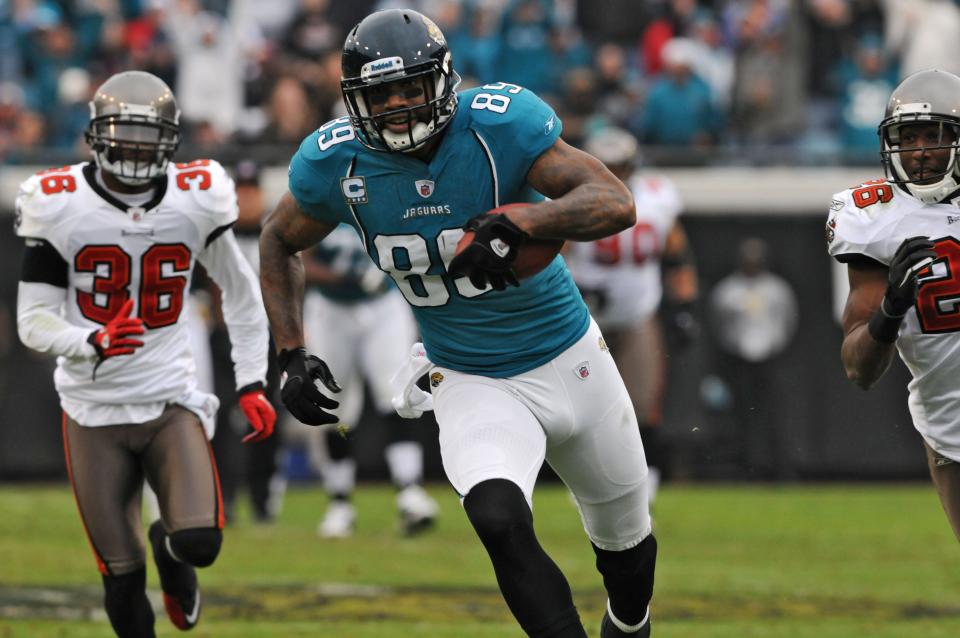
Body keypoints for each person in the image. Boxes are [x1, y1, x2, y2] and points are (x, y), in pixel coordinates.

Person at [260, 9, 657, 638]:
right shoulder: (336, 162)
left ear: (441, 81)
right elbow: (279, 239)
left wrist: (525, 222)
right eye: (379, 94)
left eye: (409, 87)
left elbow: (614, 201)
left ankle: (629, 623)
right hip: (469, 375)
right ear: (353, 101)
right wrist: (289, 350)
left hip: (571, 357)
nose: (395, 106)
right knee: (496, 516)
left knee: (628, 554)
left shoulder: (498, 125)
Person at [14, 71, 275, 637]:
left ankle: (172, 552)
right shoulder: (61, 204)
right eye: (122, 134)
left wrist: (252, 381)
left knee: (198, 542)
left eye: (146, 135)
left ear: (171, 139)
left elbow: (242, 291)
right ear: (96, 135)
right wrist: (88, 340)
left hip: (167, 397)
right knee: (121, 577)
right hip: (92, 409)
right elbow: (31, 321)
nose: (133, 149)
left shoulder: (194, 197)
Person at [829, 68, 960, 541]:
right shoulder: (875, 216)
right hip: (952, 430)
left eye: (934, 135)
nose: (921, 150)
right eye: (910, 137)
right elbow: (858, 369)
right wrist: (892, 305)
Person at [565, 126, 699, 506]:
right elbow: (552, 254)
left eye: (620, 165)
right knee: (585, 408)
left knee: (643, 406)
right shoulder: (570, 196)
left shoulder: (657, 197)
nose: (614, 173)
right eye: (607, 165)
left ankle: (645, 490)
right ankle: (592, 487)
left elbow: (677, 254)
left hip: (638, 313)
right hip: (582, 319)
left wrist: (684, 307)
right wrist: (575, 289)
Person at [297, 223, 439, 538]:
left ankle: (409, 492)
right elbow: (300, 261)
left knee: (396, 395)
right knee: (337, 409)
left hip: (384, 305)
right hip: (331, 309)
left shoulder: (382, 186)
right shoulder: (321, 194)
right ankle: (340, 502)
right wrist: (348, 278)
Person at [708, 237, 798, 480]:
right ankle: (747, 469)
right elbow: (718, 325)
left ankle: (781, 470)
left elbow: (789, 321)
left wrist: (776, 346)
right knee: (743, 416)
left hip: (770, 359)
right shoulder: (727, 291)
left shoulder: (777, 289)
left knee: (775, 416)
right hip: (739, 360)